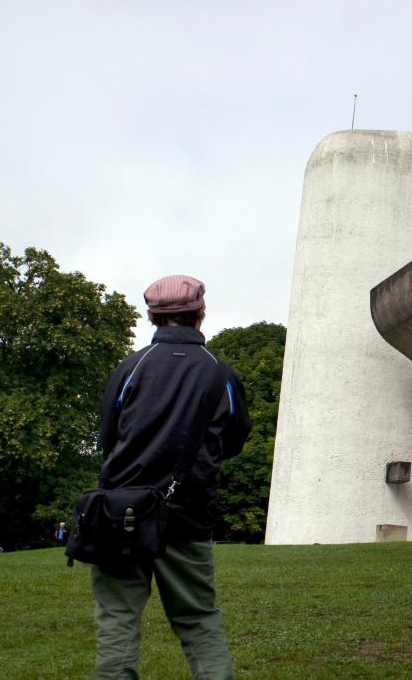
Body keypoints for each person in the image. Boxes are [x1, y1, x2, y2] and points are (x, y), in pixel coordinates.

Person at [89, 275, 252, 679]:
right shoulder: (221, 375)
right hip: (189, 514)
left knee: (117, 621)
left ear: (152, 316)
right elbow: (233, 441)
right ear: (201, 313)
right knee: (199, 621)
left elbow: (108, 437)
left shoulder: (131, 367)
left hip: (120, 512)